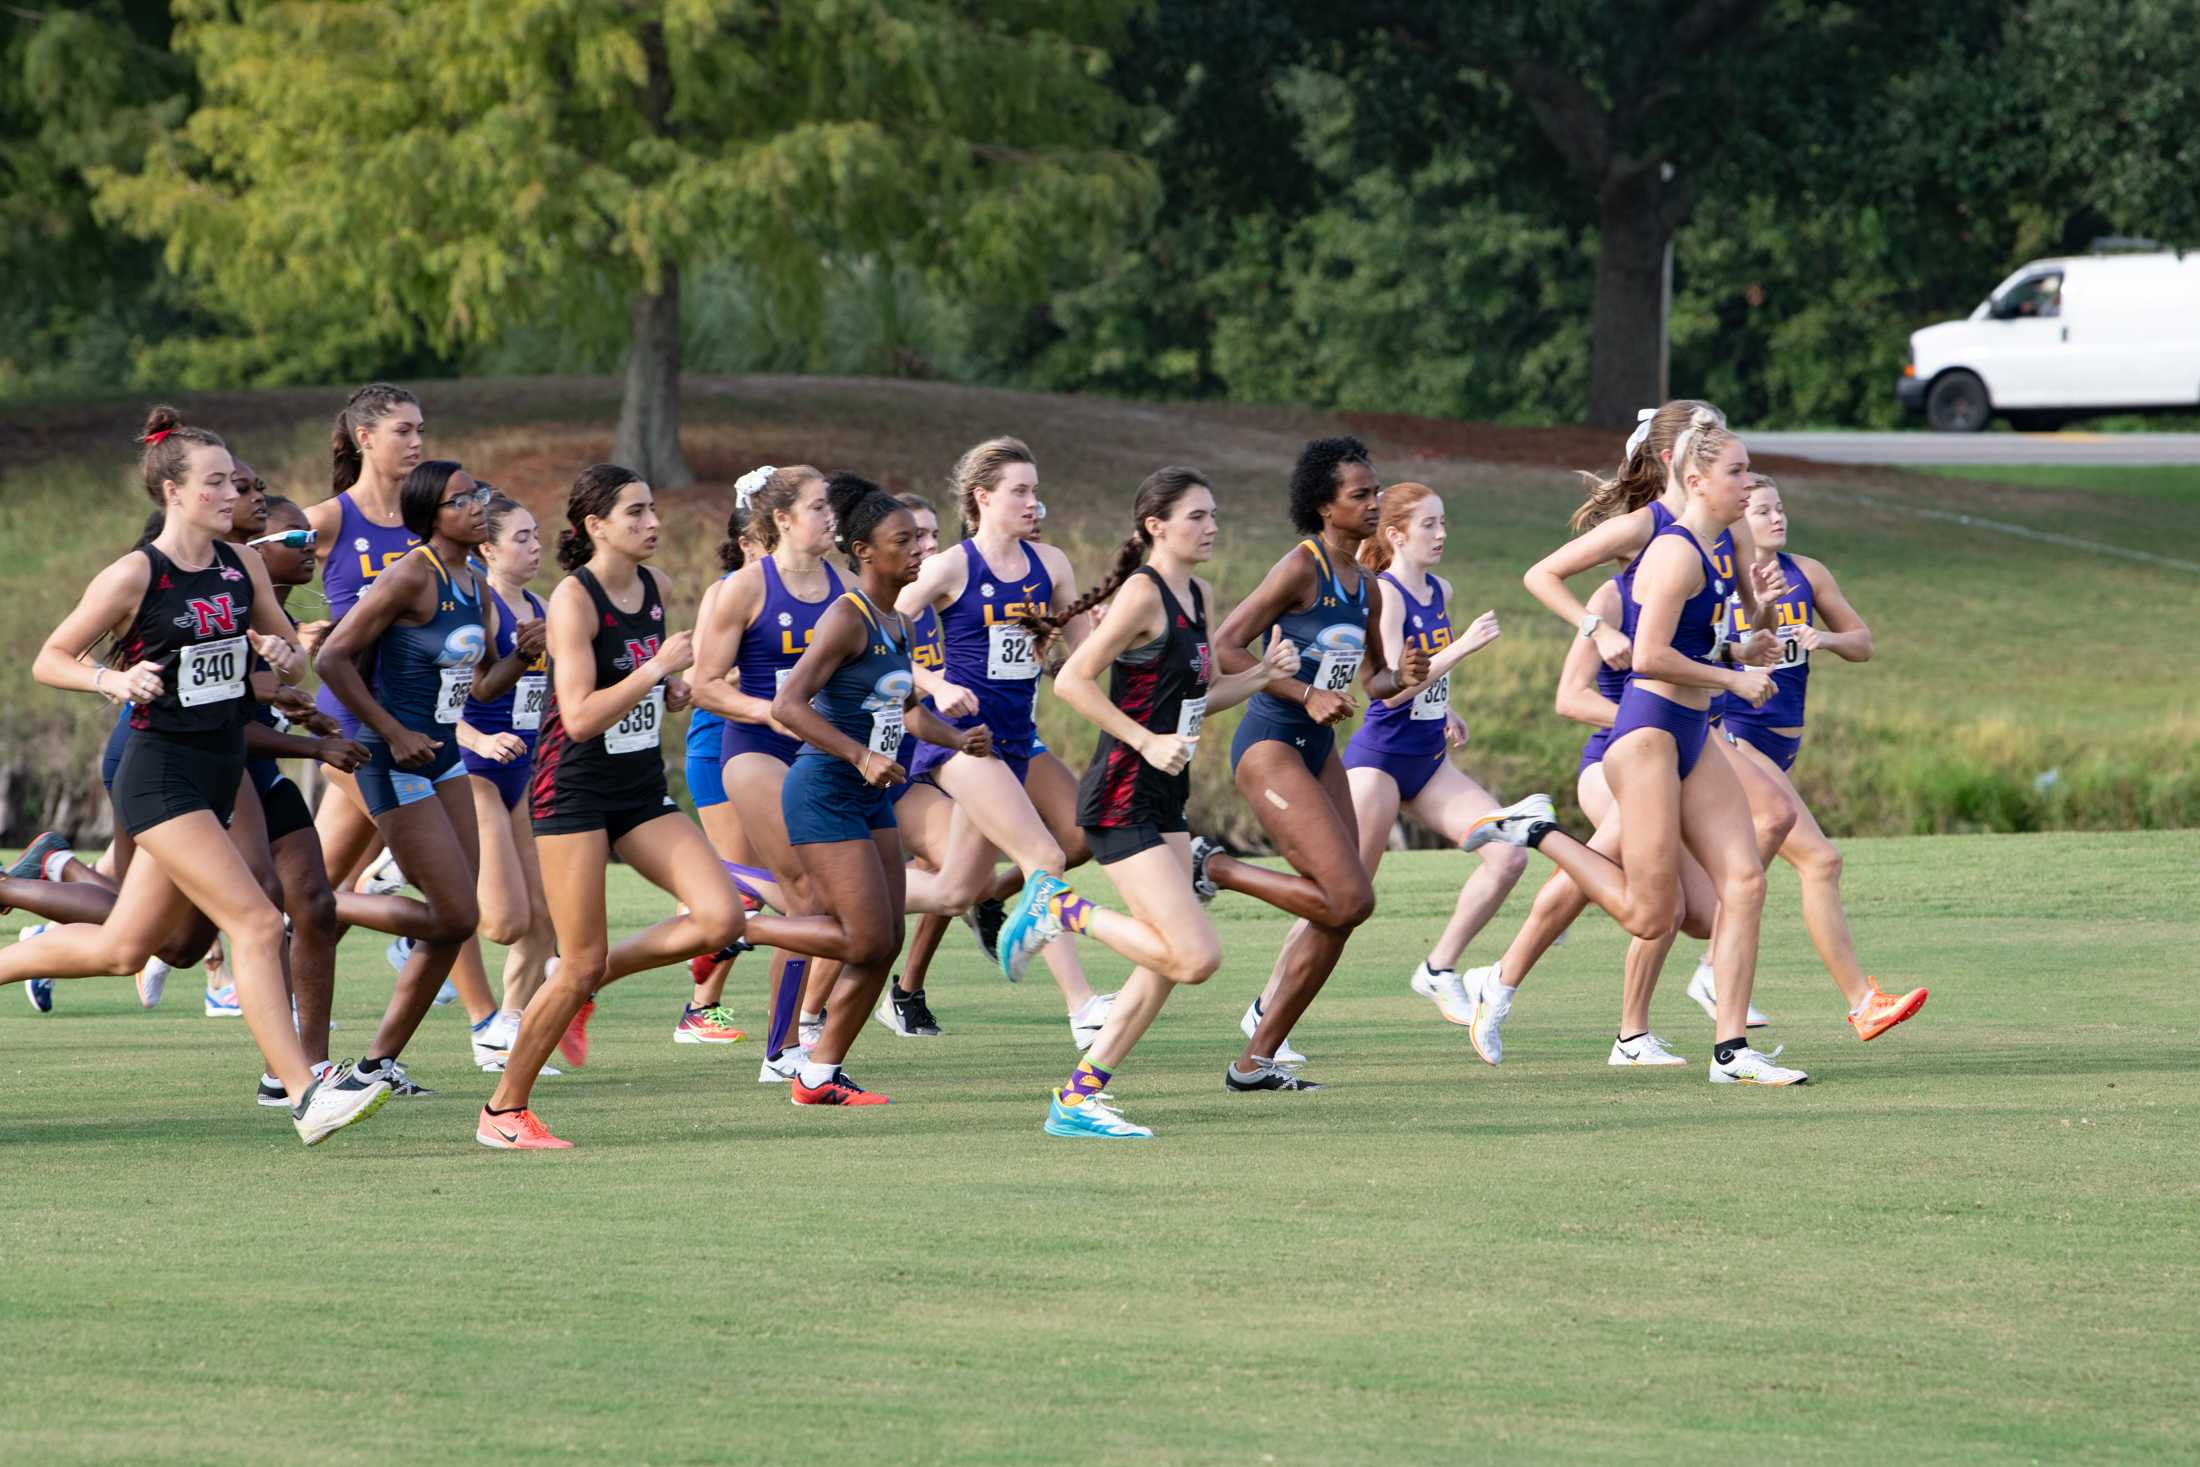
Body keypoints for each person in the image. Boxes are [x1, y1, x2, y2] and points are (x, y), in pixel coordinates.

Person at [0, 407, 390, 1143]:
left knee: (125, 949)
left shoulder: (240, 565)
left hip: (218, 770)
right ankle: (306, 1094)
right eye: (214, 482)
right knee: (252, 919)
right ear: (172, 492)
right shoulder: (133, 574)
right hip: (159, 773)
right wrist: (110, 684)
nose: (229, 491)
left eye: (231, 480)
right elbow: (50, 657)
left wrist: (281, 657)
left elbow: (287, 646)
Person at [479, 464, 842, 1147]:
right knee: (580, 961)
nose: (653, 523)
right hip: (575, 790)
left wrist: (667, 690)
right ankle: (502, 1111)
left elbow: (649, 686)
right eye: (637, 512)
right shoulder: (572, 600)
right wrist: (653, 671)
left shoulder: (656, 588)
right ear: (595, 527)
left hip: (639, 789)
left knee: (720, 916)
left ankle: (583, 975)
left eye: (653, 509)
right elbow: (580, 716)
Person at [1462, 408, 1809, 1086]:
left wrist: (1744, 641)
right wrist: (1731, 673)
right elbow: (1647, 657)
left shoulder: (1713, 547)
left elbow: (1694, 639)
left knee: (1743, 882)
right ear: (1693, 474)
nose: (1750, 484)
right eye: (1736, 471)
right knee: (1652, 913)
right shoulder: (1670, 546)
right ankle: (1535, 831)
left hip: (1691, 733)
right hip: (1643, 737)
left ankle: (1731, 1052)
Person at [1044, 466, 1297, 1137]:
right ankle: (1059, 907)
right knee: (1193, 958)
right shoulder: (1141, 594)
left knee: (1157, 963)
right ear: (1156, 524)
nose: (1211, 526)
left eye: (1213, 514)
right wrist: (1144, 740)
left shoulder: (1201, 595)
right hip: (1122, 795)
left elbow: (1195, 697)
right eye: (1196, 516)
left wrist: (1263, 677)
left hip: (1166, 797)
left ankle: (1077, 1098)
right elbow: (1072, 679)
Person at [1188, 437, 1427, 1090]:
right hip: (1269, 748)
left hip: (1320, 752)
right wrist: (1302, 691)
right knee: (1350, 896)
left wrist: (1404, 674)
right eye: (1361, 495)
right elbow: (1226, 645)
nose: (1375, 503)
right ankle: (1214, 864)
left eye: (1376, 492)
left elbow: (1374, 682)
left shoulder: (1369, 588)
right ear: (1325, 506)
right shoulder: (1301, 566)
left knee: (1342, 912)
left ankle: (1254, 1061)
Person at [1250, 480, 1520, 1031]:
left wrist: (1447, 709)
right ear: (1395, 534)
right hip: (1379, 764)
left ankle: (1439, 968)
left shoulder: (1438, 591)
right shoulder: (1386, 592)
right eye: (1429, 525)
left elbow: (1426, 680)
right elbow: (1392, 686)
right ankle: (1264, 1008)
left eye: (1444, 523)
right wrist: (1464, 646)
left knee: (1509, 851)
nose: (1441, 534)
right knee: (1341, 901)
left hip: (1429, 760)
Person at [766, 474, 995, 1104]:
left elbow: (904, 712)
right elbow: (788, 705)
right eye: (906, 540)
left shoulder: (899, 618)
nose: (922, 548)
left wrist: (958, 739)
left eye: (923, 538)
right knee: (864, 937)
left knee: (885, 940)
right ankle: (743, 927)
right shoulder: (847, 616)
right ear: (864, 550)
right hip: (824, 788)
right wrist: (860, 753)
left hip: (870, 794)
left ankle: (818, 1073)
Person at [318, 462, 536, 1097]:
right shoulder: (412, 573)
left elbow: (486, 684)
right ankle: (312, 903)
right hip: (391, 758)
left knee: (455, 918)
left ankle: (376, 1064)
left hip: (442, 759)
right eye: (460, 499)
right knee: (455, 911)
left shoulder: (476, 585)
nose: (476, 506)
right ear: (429, 516)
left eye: (480, 495)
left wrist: (524, 653)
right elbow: (332, 657)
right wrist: (391, 732)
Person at [893, 437, 1116, 1049]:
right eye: (1019, 491)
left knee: (955, 889)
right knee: (1042, 858)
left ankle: (831, 896)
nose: (1032, 502)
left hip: (1017, 741)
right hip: (959, 744)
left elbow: (1081, 656)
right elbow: (874, 631)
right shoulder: (950, 567)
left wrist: (1117, 627)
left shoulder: (1053, 565)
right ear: (982, 497)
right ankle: (1084, 1007)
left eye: (1036, 491)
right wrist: (933, 681)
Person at [1687, 476, 1928, 1042]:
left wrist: (1825, 638)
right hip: (1736, 734)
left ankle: (1708, 971)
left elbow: (1864, 642)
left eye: (1780, 508)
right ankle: (1862, 1003)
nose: (1777, 518)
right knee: (1820, 860)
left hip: (1782, 742)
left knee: (1754, 860)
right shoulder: (1723, 578)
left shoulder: (1808, 573)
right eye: (1762, 510)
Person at [450, 493, 559, 1069]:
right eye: (521, 537)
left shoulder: (541, 605)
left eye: (537, 534)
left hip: (526, 768)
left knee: (548, 916)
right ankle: (420, 916)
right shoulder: (479, 608)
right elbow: (448, 703)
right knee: (503, 920)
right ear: (486, 548)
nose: (536, 545)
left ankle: (506, 1026)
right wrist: (482, 740)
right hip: (475, 768)